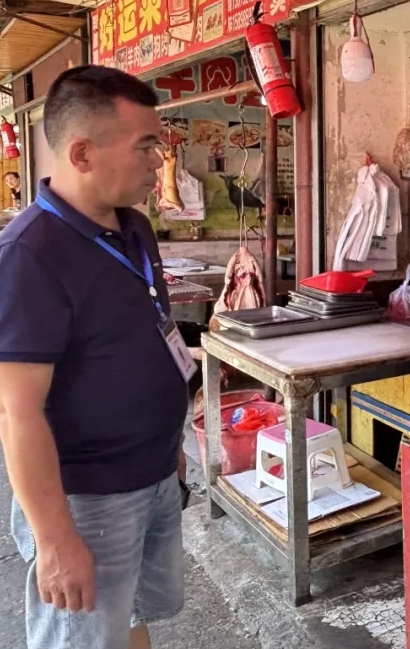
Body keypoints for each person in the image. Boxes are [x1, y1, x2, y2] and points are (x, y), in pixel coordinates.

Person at [0, 66, 194, 649]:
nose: (159, 161)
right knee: (82, 639)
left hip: (154, 474)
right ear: (82, 153)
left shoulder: (134, 227)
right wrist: (56, 540)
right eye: (146, 146)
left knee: (129, 616)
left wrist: (175, 449)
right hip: (89, 498)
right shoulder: (28, 255)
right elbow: (17, 412)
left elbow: (152, 338)